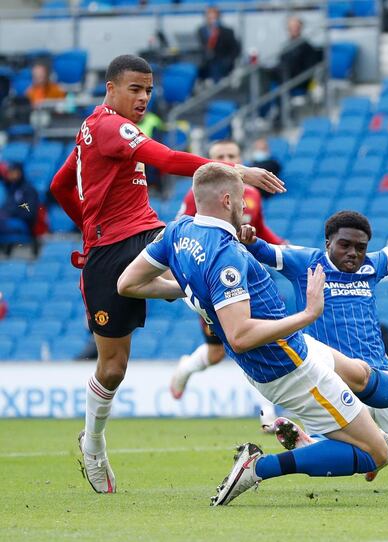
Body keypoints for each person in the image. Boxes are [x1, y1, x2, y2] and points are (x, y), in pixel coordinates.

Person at [117, 162, 388, 505]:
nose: (245, 207)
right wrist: (308, 314)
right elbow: (240, 332)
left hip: (309, 352)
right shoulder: (264, 258)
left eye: (360, 246)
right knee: (378, 454)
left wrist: (186, 288)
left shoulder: (179, 230)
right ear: (226, 201)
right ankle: (261, 467)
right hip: (290, 362)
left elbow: (127, 283)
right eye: (240, 200)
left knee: (361, 374)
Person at [49, 54, 283, 495]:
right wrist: (240, 171)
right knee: (113, 368)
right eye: (134, 89)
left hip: (152, 234)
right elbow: (167, 158)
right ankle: (94, 444)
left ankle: (276, 407)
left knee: (223, 305)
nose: (142, 99)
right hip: (105, 254)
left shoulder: (98, 132)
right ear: (110, 89)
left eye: (148, 91)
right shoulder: (105, 127)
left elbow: (62, 185)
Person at [241, 150, 388, 469]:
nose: (353, 253)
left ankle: (378, 446)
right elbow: (263, 250)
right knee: (352, 456)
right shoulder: (305, 262)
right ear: (327, 242)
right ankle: (327, 443)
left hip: (383, 378)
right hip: (330, 379)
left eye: (360, 247)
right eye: (344, 244)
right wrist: (249, 240)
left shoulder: (372, 266)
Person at [170, 139, 286, 399]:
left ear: (240, 158)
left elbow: (260, 231)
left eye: (230, 155)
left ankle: (267, 413)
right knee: (216, 352)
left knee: (260, 340)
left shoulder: (252, 196)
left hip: (247, 278)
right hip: (213, 282)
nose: (225, 159)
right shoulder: (195, 196)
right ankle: (186, 369)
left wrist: (282, 248)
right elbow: (180, 234)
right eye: (219, 156)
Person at [0, 162, 41, 253]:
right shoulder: (12, 189)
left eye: (12, 171)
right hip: (8, 222)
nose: (10, 174)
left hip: (23, 224)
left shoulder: (29, 190)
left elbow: (30, 213)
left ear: (19, 172)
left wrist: (11, 213)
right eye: (9, 172)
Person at [197, 6, 240, 83]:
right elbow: (202, 47)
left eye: (214, 17)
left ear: (218, 18)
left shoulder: (227, 31)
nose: (211, 20)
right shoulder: (201, 31)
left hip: (222, 61)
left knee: (215, 67)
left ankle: (215, 89)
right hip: (205, 61)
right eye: (209, 17)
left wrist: (228, 60)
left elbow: (235, 49)